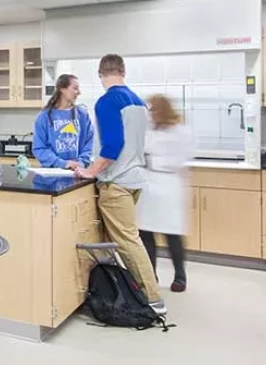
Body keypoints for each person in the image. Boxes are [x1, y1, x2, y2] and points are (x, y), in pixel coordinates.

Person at [74, 54, 165, 315]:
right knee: (123, 239)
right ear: (123, 71)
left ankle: (153, 299)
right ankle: (120, 290)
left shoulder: (107, 102)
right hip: (134, 179)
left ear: (100, 74)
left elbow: (112, 146)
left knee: (127, 241)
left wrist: (90, 171)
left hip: (117, 182)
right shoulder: (138, 102)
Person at [138, 94, 195, 293]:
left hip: (170, 184)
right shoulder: (148, 129)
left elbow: (181, 158)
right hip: (149, 185)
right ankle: (151, 275)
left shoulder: (180, 130)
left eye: (153, 110)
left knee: (172, 234)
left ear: (163, 109)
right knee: (146, 232)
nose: (150, 114)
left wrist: (153, 160)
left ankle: (180, 276)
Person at [33, 74, 95, 170]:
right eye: (75, 88)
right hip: (52, 173)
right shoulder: (44, 117)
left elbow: (90, 143)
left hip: (78, 171)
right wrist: (62, 163)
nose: (79, 92)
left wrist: (81, 162)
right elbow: (39, 148)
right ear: (62, 89)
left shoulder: (82, 115)